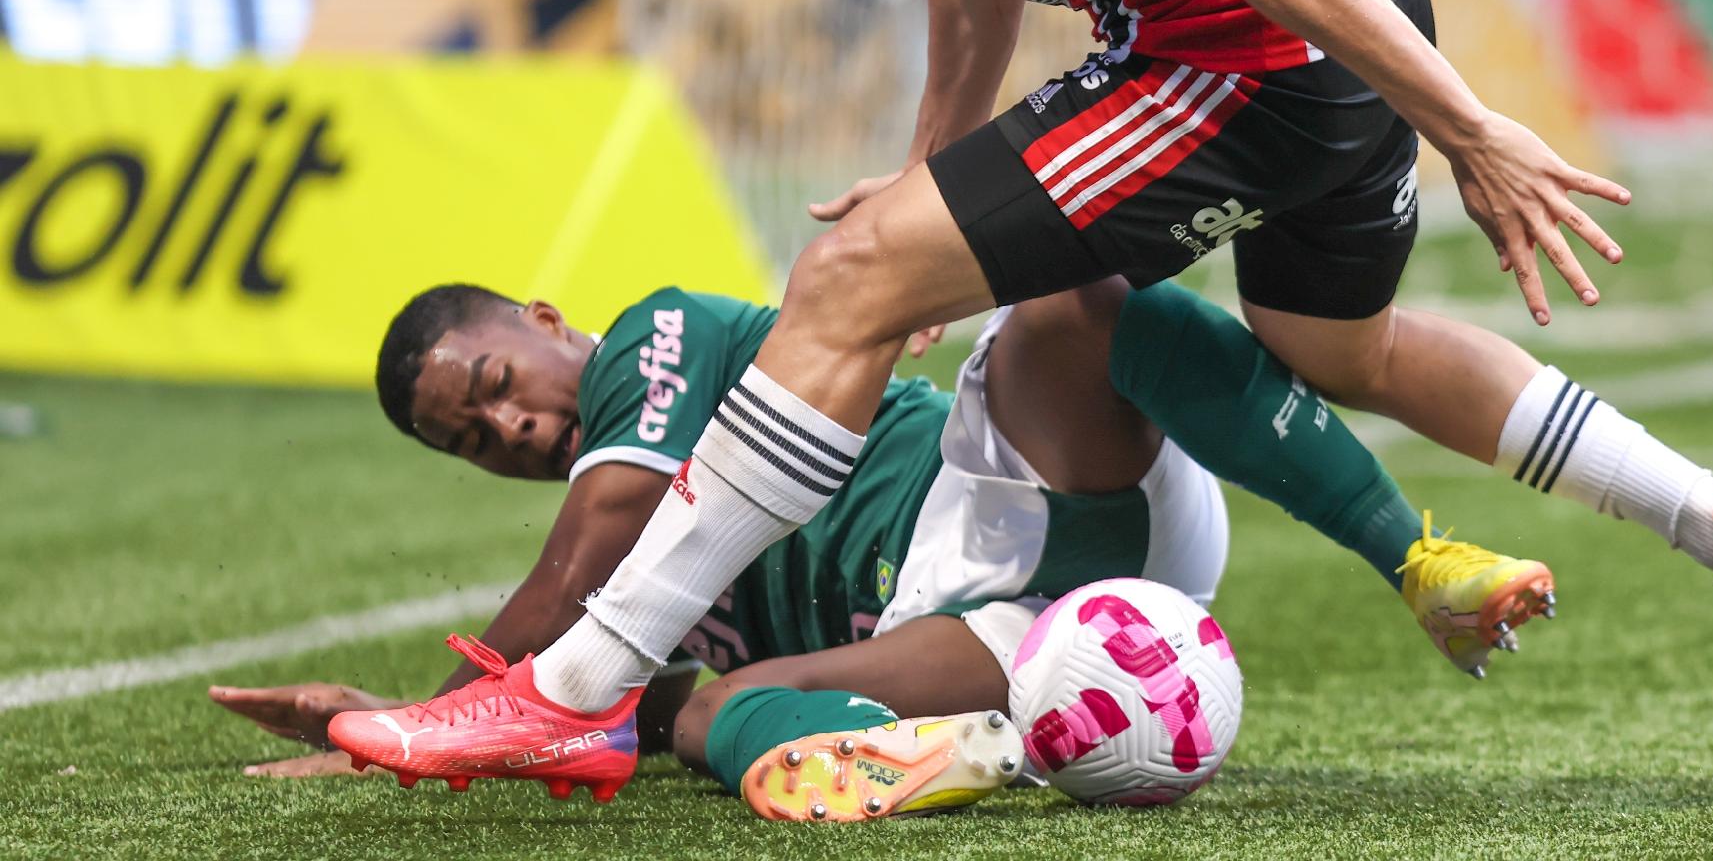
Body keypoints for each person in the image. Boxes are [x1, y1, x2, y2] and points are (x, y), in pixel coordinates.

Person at [332, 0, 1713, 793]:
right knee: (1342, 349)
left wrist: (1465, 126)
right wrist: (937, 165)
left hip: (1259, 42)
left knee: (846, 279)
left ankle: (583, 681)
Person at [250, 278, 1534, 817]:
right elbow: (597, 717)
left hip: (1012, 487)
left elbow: (602, 523)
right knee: (705, 707)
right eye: (472, 436)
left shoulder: (657, 338)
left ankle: (1411, 555)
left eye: (493, 380)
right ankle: (952, 756)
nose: (508, 421)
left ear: (541, 320)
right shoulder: (631, 614)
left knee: (1074, 302)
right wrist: (402, 735)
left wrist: (430, 719)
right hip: (991, 643)